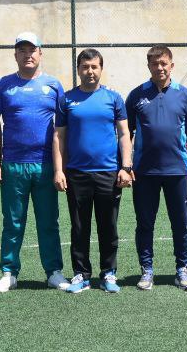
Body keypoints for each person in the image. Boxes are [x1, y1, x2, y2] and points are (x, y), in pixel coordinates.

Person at [0, 32, 70, 293]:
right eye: (22, 50)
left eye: (32, 50)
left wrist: (60, 168)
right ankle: (9, 272)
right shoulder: (3, 85)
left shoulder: (53, 85)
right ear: (15, 55)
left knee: (48, 221)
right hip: (13, 164)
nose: (27, 55)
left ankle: (54, 272)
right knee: (12, 222)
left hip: (45, 165)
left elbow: (62, 129)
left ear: (40, 53)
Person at [126, 45, 187, 290]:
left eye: (163, 63)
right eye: (155, 63)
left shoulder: (185, 95)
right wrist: (125, 166)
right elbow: (125, 133)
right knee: (145, 224)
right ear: (148, 66)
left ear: (172, 65)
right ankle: (147, 270)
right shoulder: (136, 95)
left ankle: (181, 269)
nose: (159, 67)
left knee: (180, 224)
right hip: (144, 172)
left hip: (178, 171)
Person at [56, 48, 132, 295]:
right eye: (85, 67)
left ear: (101, 69)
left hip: (108, 173)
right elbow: (59, 137)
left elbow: (124, 134)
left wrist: (126, 167)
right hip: (77, 173)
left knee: (108, 226)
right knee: (79, 227)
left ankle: (108, 273)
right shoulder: (67, 100)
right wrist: (59, 170)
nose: (90, 71)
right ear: (78, 70)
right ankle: (81, 274)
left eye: (94, 67)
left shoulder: (114, 98)